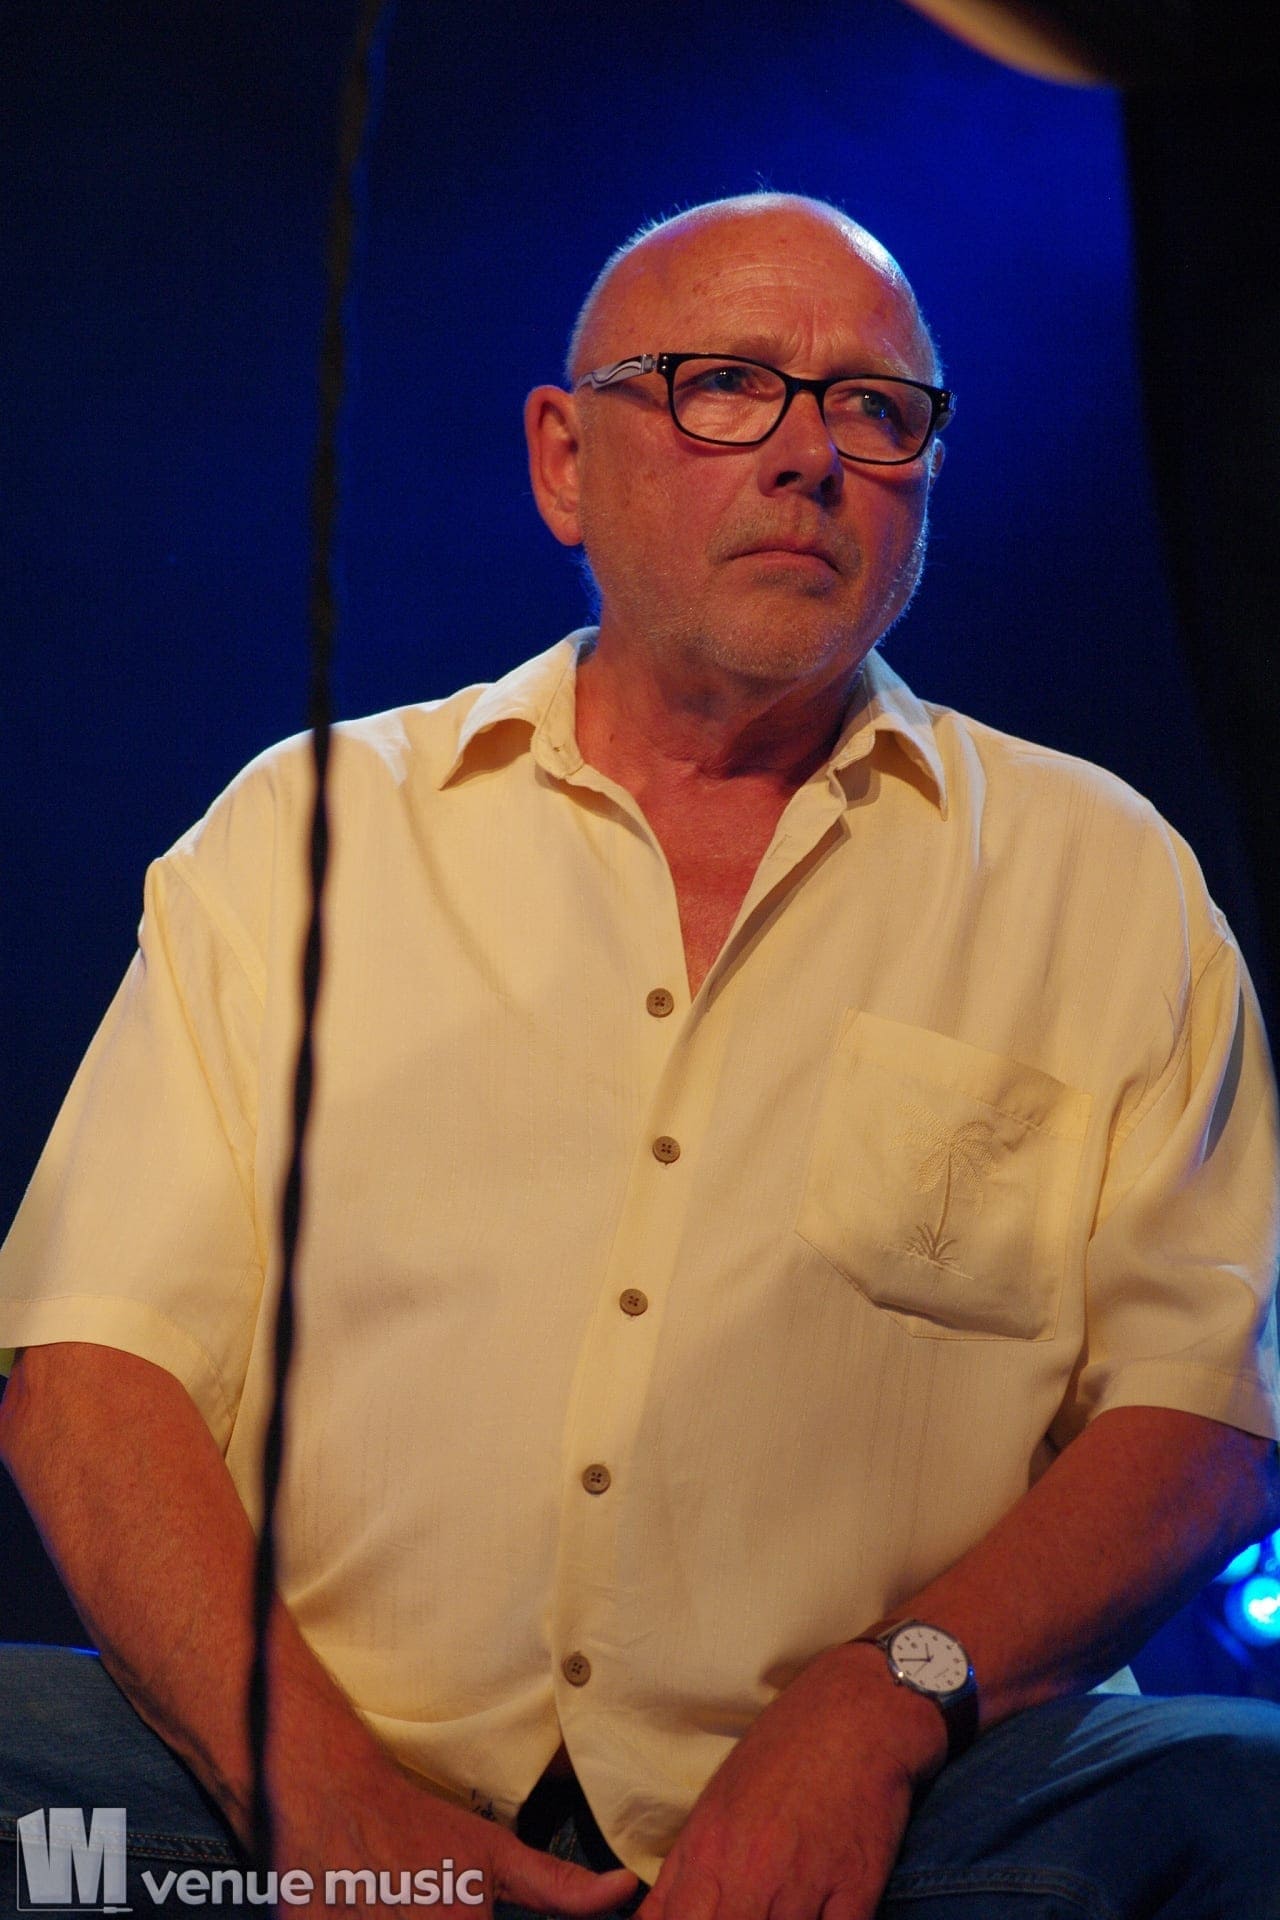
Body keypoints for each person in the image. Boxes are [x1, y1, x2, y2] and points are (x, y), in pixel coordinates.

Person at [2, 192, 1280, 1920]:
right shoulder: (312, 832)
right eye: (725, 384)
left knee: (1235, 1793)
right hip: (298, 1789)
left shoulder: (1100, 877)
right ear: (564, 462)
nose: (811, 455)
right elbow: (91, 1375)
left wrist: (883, 1704)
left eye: (876, 408)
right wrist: (330, 1804)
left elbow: (1204, 1418)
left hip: (911, 1821)